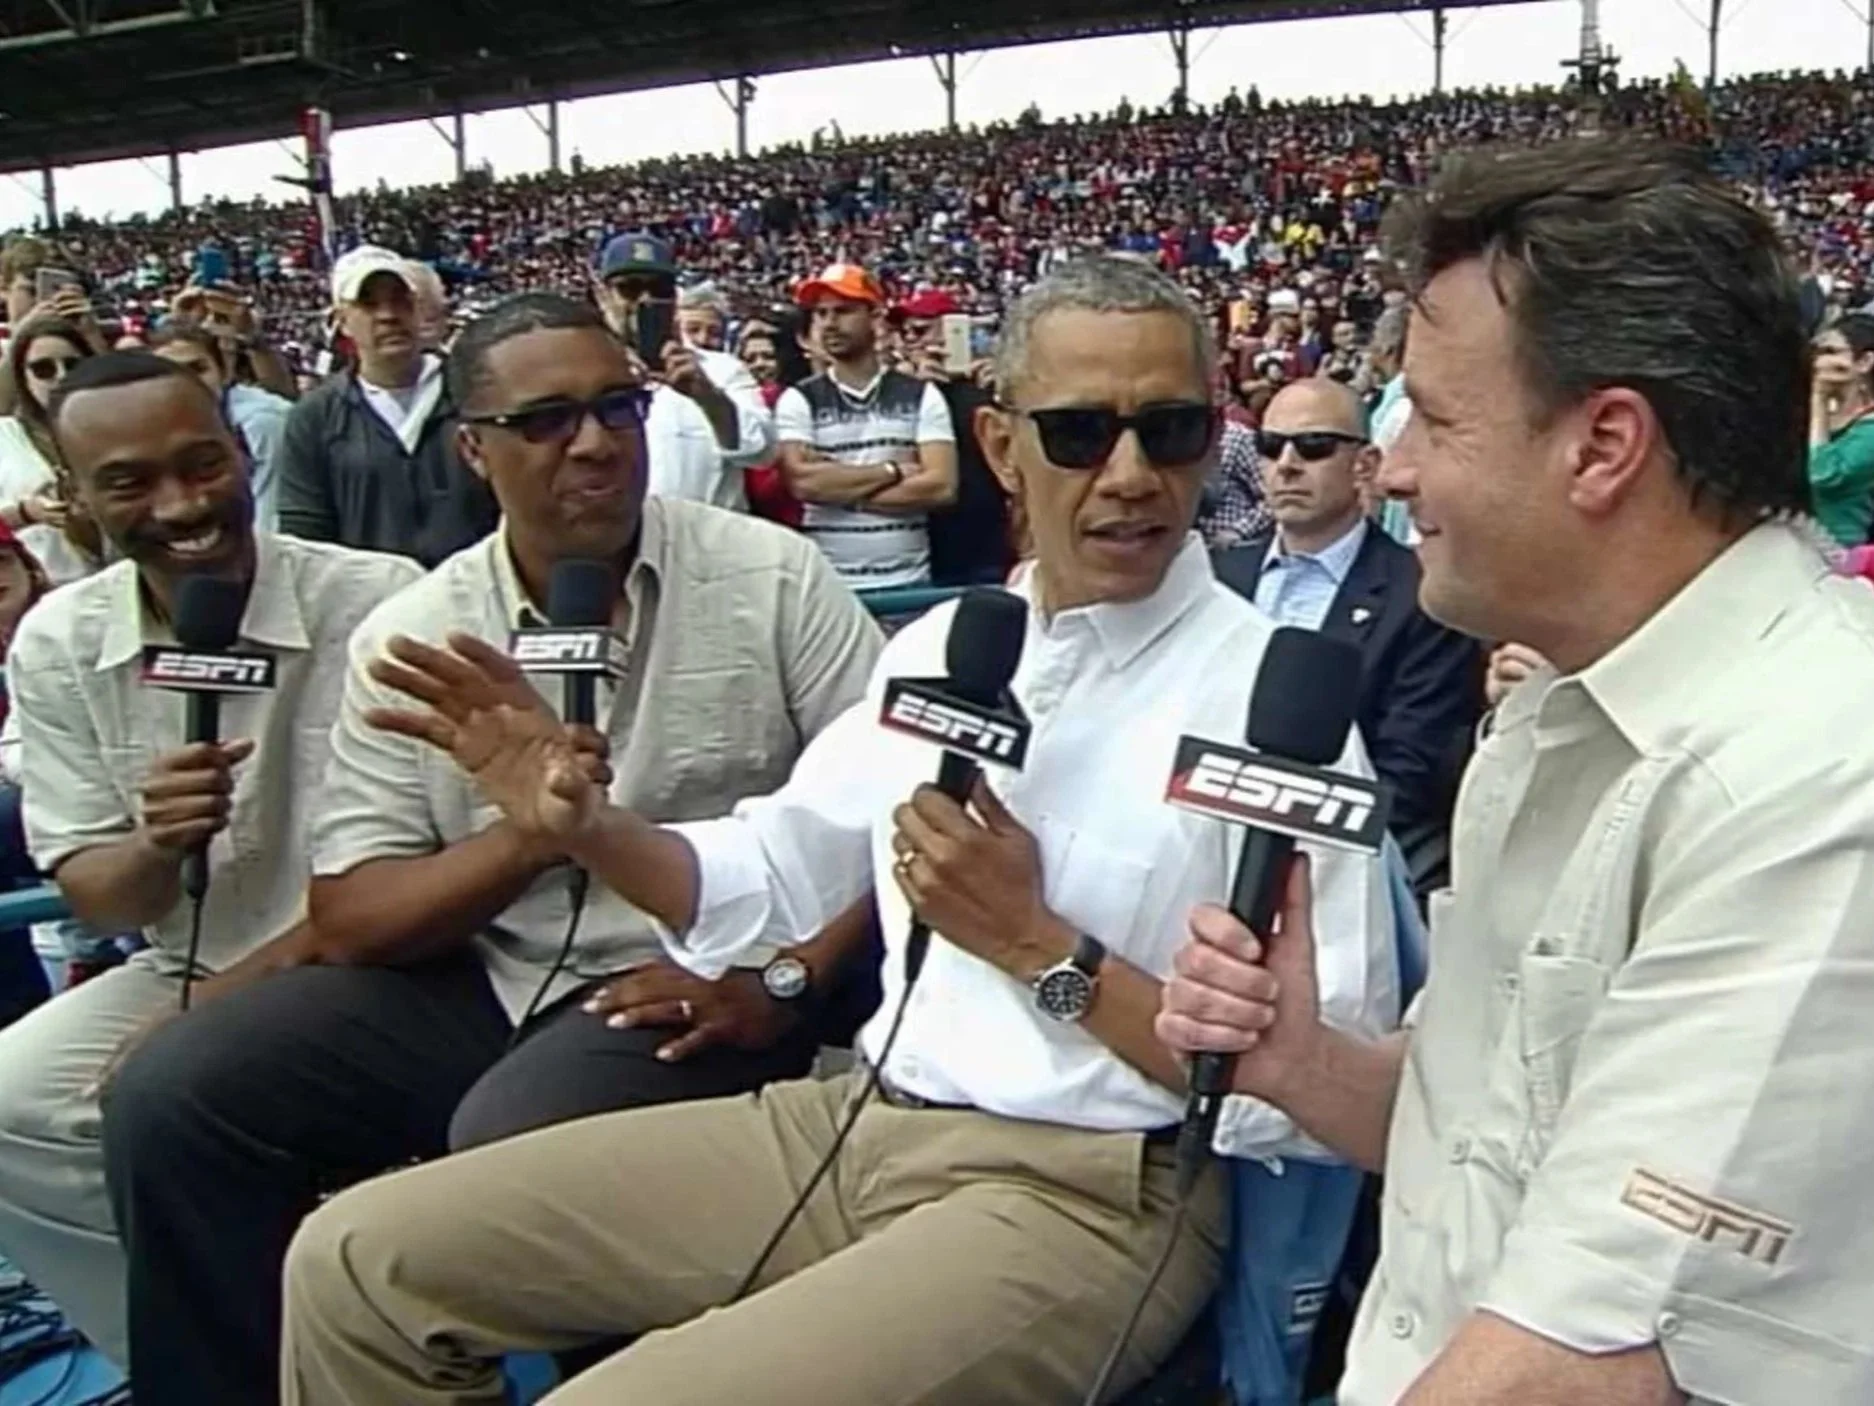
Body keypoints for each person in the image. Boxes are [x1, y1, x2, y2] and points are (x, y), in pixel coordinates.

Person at [277, 255, 1398, 1406]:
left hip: (1091, 1188)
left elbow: (1307, 1095)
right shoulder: (946, 646)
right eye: (1077, 432)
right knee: (354, 1263)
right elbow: (767, 872)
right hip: (857, 1116)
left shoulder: (1271, 709)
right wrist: (587, 827)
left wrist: (1042, 951)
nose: (1127, 475)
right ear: (1002, 446)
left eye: (1166, 430)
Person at [1158, 137, 1874, 1406]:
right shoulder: (1548, 710)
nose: (1392, 469)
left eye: (1432, 419)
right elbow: (1483, 1141)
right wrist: (1301, 1061)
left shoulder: (1823, 770)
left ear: (1601, 445)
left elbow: (1583, 1357)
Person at [99, 294, 885, 1406]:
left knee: (520, 1131)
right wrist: (532, 833)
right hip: (492, 970)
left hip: (712, 970)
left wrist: (784, 976)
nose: (596, 440)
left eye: (617, 404)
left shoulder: (770, 574)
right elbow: (356, 909)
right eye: (548, 418)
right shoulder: (418, 630)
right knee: (178, 1097)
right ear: (474, 447)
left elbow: (904, 814)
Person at [0, 350, 419, 1371]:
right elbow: (97, 890)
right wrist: (157, 839)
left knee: (176, 1084)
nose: (182, 505)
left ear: (243, 452)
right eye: (130, 482)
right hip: (182, 956)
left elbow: (430, 872)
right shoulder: (59, 638)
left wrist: (222, 1002)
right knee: (14, 1100)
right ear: (77, 496)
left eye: (202, 465)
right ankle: (204, 1349)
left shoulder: (380, 600)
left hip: (380, 963)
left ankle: (320, 1340)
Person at [1214, 378, 1481, 892]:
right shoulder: (1218, 577)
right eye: (1270, 447)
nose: (1286, 464)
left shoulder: (1422, 596)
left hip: (1340, 876)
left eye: (1313, 446)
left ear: (1365, 465)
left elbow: (1407, 775)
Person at [277, 244, 496, 565]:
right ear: (342, 320)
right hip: (370, 607)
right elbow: (305, 541)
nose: (388, 315)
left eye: (399, 300)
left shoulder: (477, 391)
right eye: (369, 304)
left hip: (480, 599)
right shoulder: (315, 417)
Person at [775, 264, 959, 591]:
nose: (829, 323)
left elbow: (940, 486)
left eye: (843, 311)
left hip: (908, 580)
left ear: (874, 318)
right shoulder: (798, 398)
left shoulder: (921, 395)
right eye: (821, 314)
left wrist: (839, 485)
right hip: (830, 584)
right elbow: (803, 483)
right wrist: (892, 471)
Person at [592, 233, 775, 510]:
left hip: (707, 544)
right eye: (629, 288)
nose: (646, 299)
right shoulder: (583, 372)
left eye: (660, 288)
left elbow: (762, 453)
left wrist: (706, 395)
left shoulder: (723, 369)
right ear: (602, 295)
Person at [892, 288, 1012, 585]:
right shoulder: (901, 391)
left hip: (988, 546)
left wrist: (1006, 394)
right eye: (905, 332)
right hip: (920, 550)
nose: (911, 340)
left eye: (920, 330)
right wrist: (908, 393)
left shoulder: (990, 389)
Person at [150, 316, 293, 531]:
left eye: (198, 368)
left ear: (223, 371)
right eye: (171, 373)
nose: (188, 381)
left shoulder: (262, 420)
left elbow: (269, 515)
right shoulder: (160, 426)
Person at [1807, 314, 1874, 546]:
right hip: (1796, 539)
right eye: (1817, 352)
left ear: (1864, 362)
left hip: (1837, 549)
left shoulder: (1870, 430)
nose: (1819, 362)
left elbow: (1823, 475)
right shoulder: (1826, 414)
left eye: (1832, 352)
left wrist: (1819, 398)